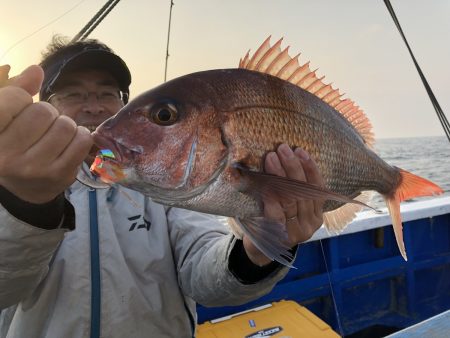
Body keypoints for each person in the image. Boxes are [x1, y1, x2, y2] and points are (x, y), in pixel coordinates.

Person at [0, 36, 324, 337]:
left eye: (107, 93)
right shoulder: (8, 183)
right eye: (74, 94)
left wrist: (251, 253)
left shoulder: (165, 183)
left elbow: (207, 281)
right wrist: (28, 205)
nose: (94, 106)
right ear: (45, 108)